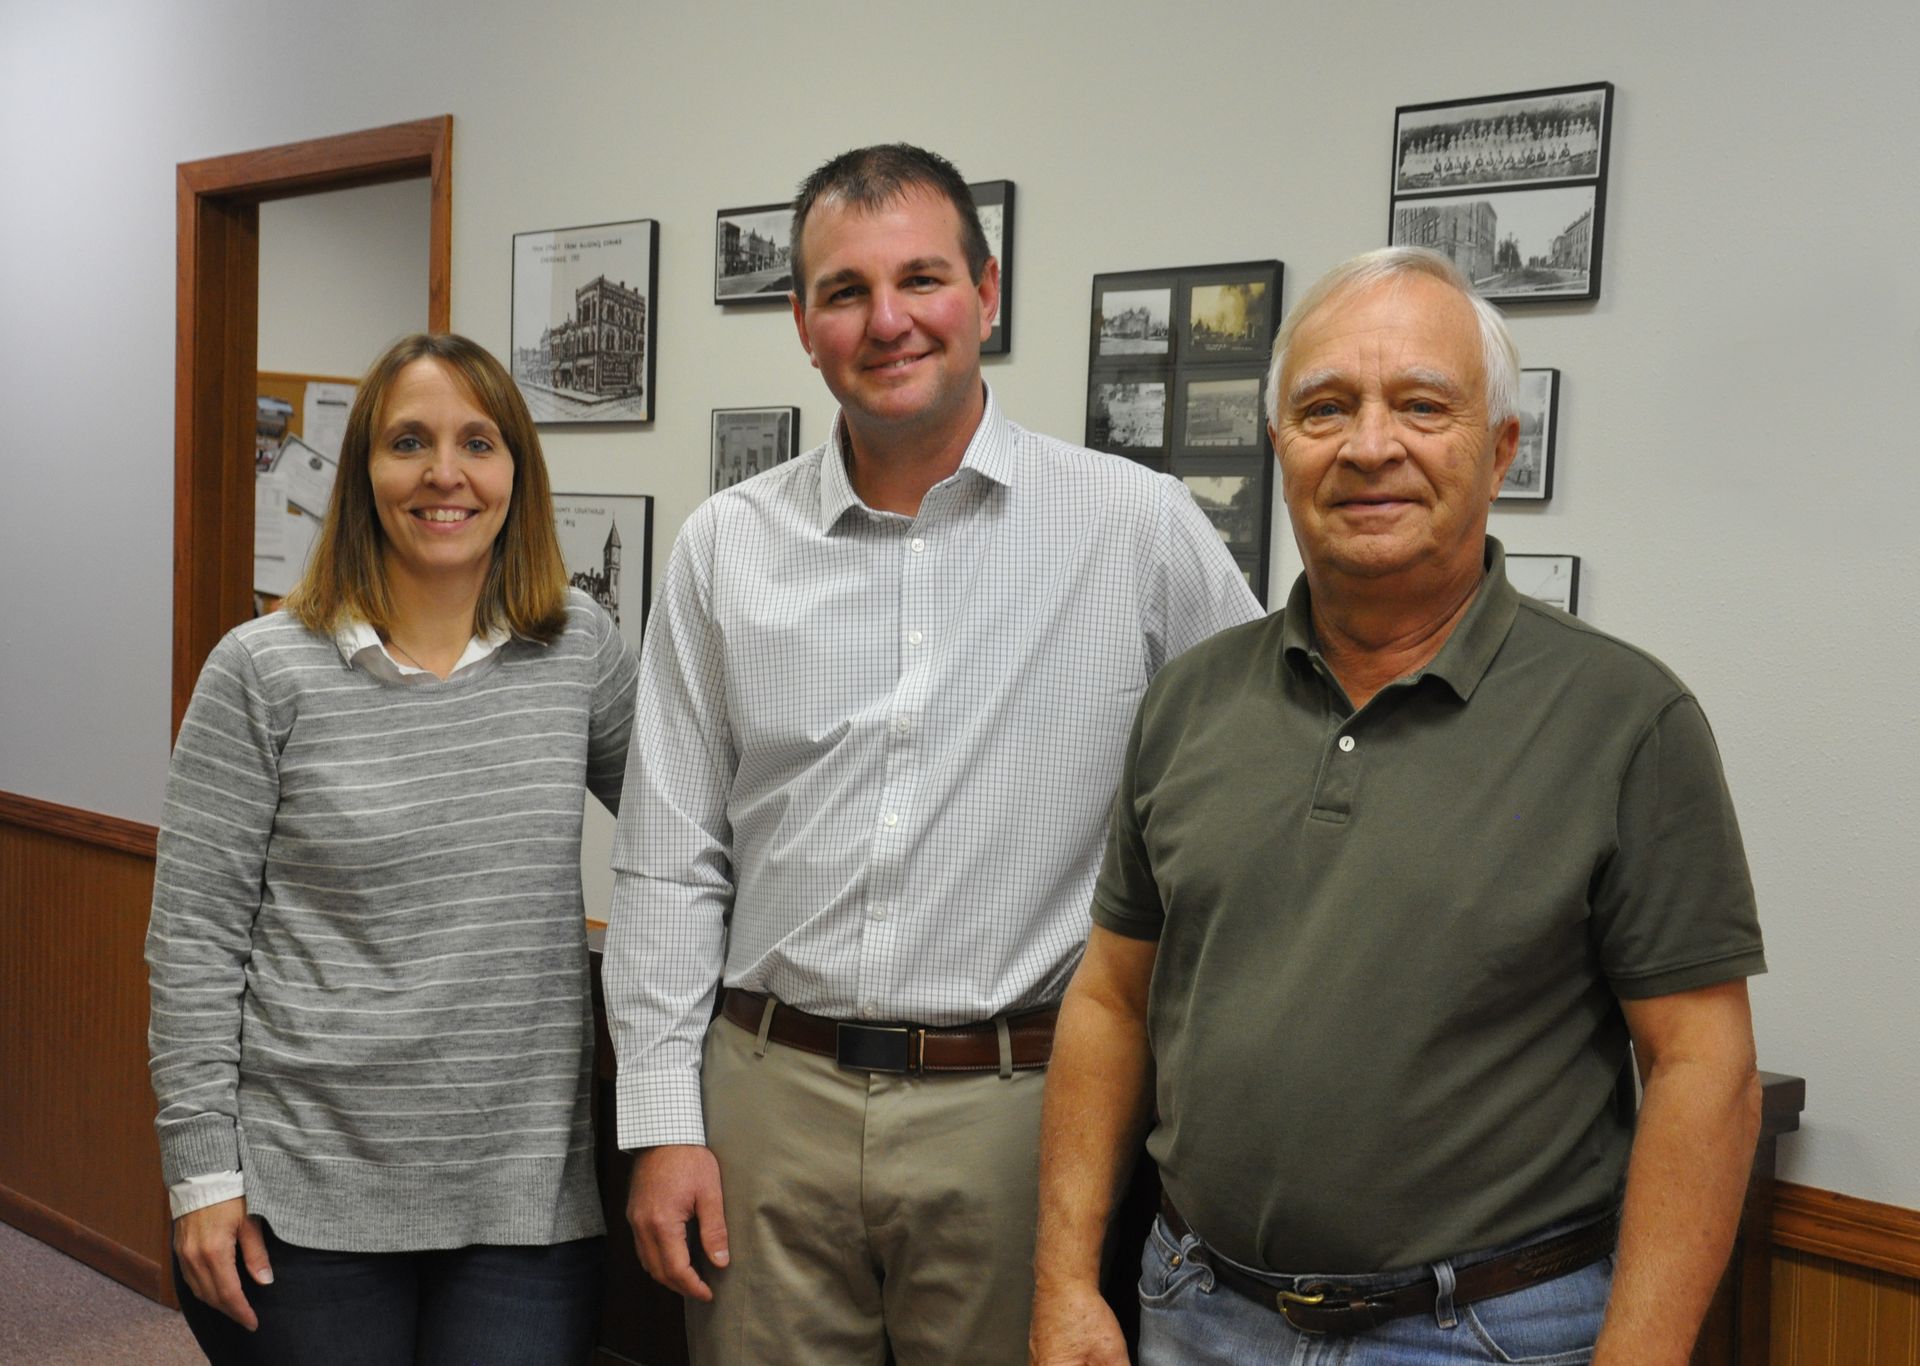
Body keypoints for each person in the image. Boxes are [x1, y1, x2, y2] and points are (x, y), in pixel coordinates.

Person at [1030, 247, 1767, 1366]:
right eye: (1326, 408)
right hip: (1195, 1310)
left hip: (1487, 1331)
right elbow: (1110, 1003)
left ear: (1501, 449)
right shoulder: (1188, 700)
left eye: (1422, 405)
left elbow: (1701, 1070)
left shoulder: (1626, 718)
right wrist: (1065, 1282)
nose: (1370, 445)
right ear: (1282, 447)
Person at [604, 143, 1262, 1364]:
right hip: (765, 1100)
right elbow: (667, 860)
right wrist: (662, 1122)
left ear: (988, 293)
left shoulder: (1135, 528)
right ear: (802, 322)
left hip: (1023, 1110)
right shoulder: (724, 549)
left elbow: (1257, 786)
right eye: (845, 290)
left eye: (923, 279)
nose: (888, 320)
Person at [147, 333, 639, 1365]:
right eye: (407, 441)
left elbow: (685, 834)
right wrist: (201, 1177)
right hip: (304, 1190)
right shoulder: (262, 669)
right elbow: (193, 941)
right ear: (364, 471)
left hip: (523, 1195)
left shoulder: (579, 648)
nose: (444, 473)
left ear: (518, 474)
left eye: (478, 442)